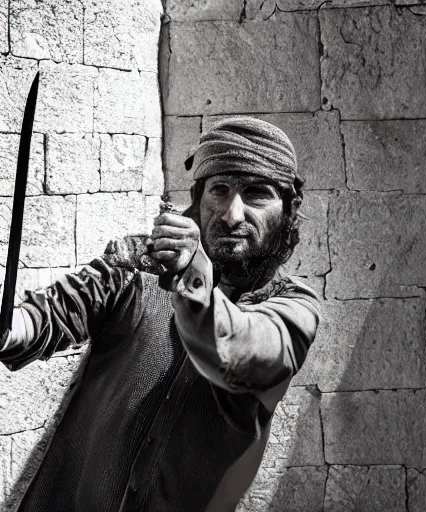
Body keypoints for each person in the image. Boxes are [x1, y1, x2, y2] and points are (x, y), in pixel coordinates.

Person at [0, 117, 320, 512]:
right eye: (219, 190)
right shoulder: (143, 265)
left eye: (256, 194)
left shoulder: (293, 308)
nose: (233, 214)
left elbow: (239, 350)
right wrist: (12, 327)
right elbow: (64, 307)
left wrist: (192, 276)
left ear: (288, 209)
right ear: (198, 198)